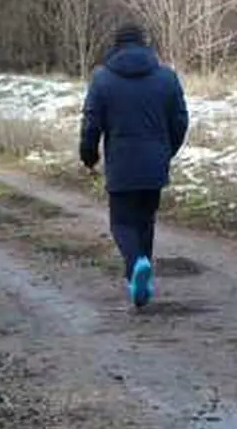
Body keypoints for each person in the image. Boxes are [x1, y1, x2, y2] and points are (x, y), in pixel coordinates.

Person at [79, 23, 188, 308]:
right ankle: (140, 281)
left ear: (115, 46)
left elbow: (91, 123)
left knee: (121, 223)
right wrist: (167, 151)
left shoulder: (102, 80)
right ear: (145, 44)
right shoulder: (167, 77)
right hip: (155, 163)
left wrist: (89, 156)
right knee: (144, 221)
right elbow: (180, 120)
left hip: (122, 163)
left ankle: (137, 265)